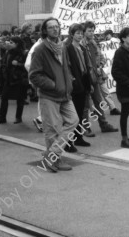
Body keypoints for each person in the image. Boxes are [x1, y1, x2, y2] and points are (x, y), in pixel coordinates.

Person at [29, 18, 78, 172]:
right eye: (51, 28)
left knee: (73, 120)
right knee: (53, 129)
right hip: (49, 94)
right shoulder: (40, 49)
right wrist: (53, 85)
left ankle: (51, 155)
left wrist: (68, 81)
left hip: (64, 93)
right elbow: (34, 75)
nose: (55, 30)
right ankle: (55, 160)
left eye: (57, 27)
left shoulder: (62, 46)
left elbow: (65, 68)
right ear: (45, 30)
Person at [81, 21, 118, 134]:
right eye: (89, 31)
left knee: (98, 101)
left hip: (95, 77)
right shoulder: (81, 45)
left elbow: (101, 56)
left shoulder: (93, 43)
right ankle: (85, 127)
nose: (92, 33)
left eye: (93, 30)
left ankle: (103, 124)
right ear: (84, 32)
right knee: (86, 105)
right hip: (86, 78)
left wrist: (100, 65)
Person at [64, 24, 93, 151]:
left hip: (83, 81)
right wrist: (72, 79)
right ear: (72, 34)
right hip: (75, 83)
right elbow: (67, 66)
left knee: (81, 112)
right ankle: (69, 142)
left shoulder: (82, 47)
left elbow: (86, 65)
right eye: (77, 33)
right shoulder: (68, 48)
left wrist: (89, 83)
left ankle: (78, 137)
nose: (80, 35)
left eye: (81, 33)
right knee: (73, 115)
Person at [0, 37, 28, 125]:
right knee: (4, 98)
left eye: (11, 42)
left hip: (19, 79)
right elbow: (5, 64)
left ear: (17, 44)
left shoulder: (24, 53)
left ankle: (18, 117)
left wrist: (19, 64)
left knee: (20, 99)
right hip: (8, 79)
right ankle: (2, 118)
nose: (9, 43)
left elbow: (28, 66)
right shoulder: (8, 52)